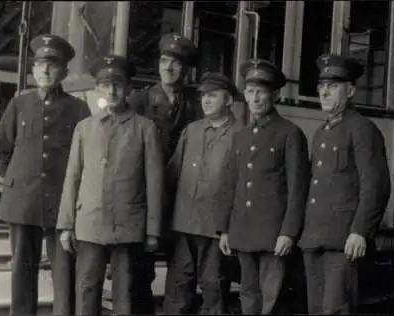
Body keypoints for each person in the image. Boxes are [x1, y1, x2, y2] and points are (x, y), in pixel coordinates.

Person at [0, 34, 91, 316]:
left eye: (53, 65)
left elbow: (85, 159)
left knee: (64, 272)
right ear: (33, 69)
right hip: (23, 202)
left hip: (62, 204)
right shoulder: (19, 105)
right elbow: (0, 153)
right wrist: (18, 182)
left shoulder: (78, 109)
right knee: (22, 269)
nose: (45, 71)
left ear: (64, 72)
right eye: (40, 65)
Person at [56, 55, 164, 316]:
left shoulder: (145, 128)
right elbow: (72, 177)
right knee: (87, 289)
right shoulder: (84, 128)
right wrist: (66, 224)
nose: (111, 91)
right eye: (105, 85)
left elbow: (154, 181)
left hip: (128, 227)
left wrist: (152, 230)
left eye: (117, 85)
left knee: (124, 294)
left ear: (128, 89)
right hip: (89, 225)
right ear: (97, 90)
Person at [298, 54, 391, 314]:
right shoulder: (321, 133)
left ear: (350, 91)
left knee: (335, 309)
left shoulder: (362, 129)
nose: (325, 92)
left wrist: (360, 231)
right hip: (313, 237)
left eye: (333, 86)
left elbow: (376, 184)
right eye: (321, 86)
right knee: (316, 309)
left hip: (342, 239)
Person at [217, 59, 311, 315]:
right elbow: (231, 185)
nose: (255, 98)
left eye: (261, 92)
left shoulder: (290, 134)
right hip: (243, 230)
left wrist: (289, 233)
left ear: (275, 95)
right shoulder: (242, 136)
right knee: (248, 294)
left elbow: (297, 189)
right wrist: (224, 229)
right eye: (250, 91)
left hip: (273, 234)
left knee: (271, 298)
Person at [126, 32, 202, 314]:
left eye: (176, 63)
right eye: (164, 60)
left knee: (182, 272)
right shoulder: (140, 102)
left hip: (182, 201)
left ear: (186, 69)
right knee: (140, 273)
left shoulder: (195, 106)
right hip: (147, 201)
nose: (169, 68)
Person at [162, 72, 242, 314]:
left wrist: (230, 227)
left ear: (228, 101)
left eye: (213, 96)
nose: (206, 101)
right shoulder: (192, 131)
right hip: (183, 224)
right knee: (178, 289)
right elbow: (172, 175)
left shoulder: (242, 134)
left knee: (213, 288)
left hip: (216, 228)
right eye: (203, 96)